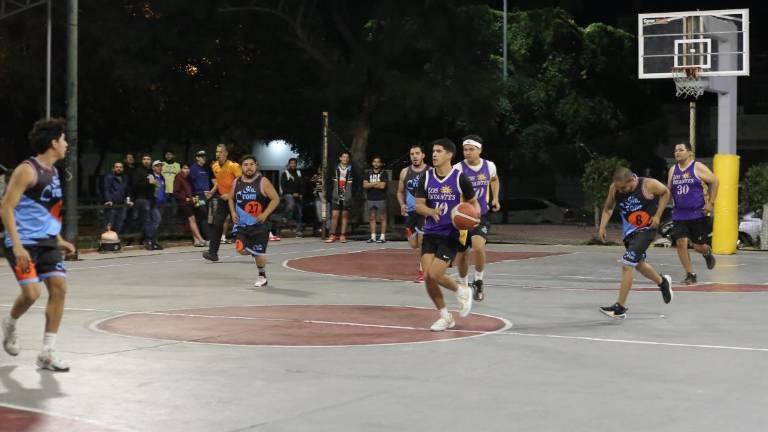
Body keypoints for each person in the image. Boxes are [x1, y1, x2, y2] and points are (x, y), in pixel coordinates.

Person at [1, 117, 76, 371]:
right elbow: (6, 208)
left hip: (46, 242)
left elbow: (48, 212)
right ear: (54, 142)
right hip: (22, 243)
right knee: (32, 293)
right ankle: (10, 323)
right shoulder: (27, 170)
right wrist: (17, 246)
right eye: (64, 139)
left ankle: (47, 353)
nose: (66, 144)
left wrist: (59, 239)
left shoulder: (53, 172)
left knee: (59, 288)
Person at [415, 138, 478, 331]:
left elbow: (473, 203)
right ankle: (445, 317)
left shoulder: (460, 178)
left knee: (434, 274)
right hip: (430, 232)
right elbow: (419, 205)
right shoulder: (426, 177)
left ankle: (462, 290)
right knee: (428, 278)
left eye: (439, 151)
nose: (434, 154)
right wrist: (430, 211)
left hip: (450, 233)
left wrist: (472, 217)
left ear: (449, 155)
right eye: (433, 151)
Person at [598, 167, 673, 319]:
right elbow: (608, 208)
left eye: (624, 188)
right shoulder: (615, 188)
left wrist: (658, 216)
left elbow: (666, 192)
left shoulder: (648, 185)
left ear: (632, 180)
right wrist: (602, 227)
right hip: (629, 234)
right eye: (619, 188)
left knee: (627, 264)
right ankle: (662, 282)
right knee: (638, 264)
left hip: (646, 230)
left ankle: (620, 308)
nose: (621, 191)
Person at [453, 135, 501, 301]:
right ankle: (464, 285)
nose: (467, 152)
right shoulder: (458, 168)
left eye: (471, 149)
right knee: (462, 254)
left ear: (479, 150)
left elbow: (494, 180)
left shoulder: (489, 166)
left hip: (481, 215)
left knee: (478, 246)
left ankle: (479, 280)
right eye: (465, 149)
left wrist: (495, 198)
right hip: (462, 217)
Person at [667, 142, 718, 284]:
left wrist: (710, 203)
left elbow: (715, 181)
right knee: (681, 242)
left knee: (697, 246)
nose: (677, 152)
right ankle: (690, 274)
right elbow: (668, 190)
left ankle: (706, 252)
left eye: (681, 150)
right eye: (675, 150)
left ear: (689, 152)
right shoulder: (673, 170)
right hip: (679, 213)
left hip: (698, 213)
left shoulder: (697, 167)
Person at [228, 155, 281, 287]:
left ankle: (262, 276)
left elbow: (275, 199)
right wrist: (233, 212)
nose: (249, 167)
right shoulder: (237, 182)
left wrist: (265, 214)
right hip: (242, 225)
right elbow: (230, 198)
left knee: (259, 254)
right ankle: (253, 250)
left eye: (251, 164)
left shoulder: (263, 182)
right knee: (240, 249)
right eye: (246, 165)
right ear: (241, 167)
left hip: (259, 225)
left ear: (256, 165)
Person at [203, 144, 241, 262]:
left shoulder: (233, 166)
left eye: (221, 152)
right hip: (223, 199)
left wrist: (230, 195)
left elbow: (242, 183)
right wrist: (212, 192)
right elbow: (219, 182)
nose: (218, 154)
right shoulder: (215, 166)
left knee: (242, 223)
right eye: (217, 152)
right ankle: (212, 253)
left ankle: (254, 246)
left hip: (236, 199)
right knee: (217, 224)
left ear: (226, 153)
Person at [397, 144, 429, 282]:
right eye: (412, 154)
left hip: (423, 212)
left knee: (422, 242)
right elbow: (400, 192)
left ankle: (422, 271)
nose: (414, 156)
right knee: (413, 244)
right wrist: (402, 204)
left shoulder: (430, 171)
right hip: (410, 213)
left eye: (417, 153)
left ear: (423, 155)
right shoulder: (405, 172)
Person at [130, 154, 162, 250]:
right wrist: (148, 183)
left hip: (152, 199)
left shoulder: (151, 172)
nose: (146, 161)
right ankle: (149, 241)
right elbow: (135, 185)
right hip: (142, 199)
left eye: (148, 159)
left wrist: (155, 185)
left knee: (157, 219)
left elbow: (154, 185)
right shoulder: (138, 171)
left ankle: (152, 240)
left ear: (151, 161)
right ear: (142, 161)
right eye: (144, 159)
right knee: (147, 221)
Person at [174, 163, 206, 246]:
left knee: (193, 220)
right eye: (184, 168)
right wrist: (185, 198)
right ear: (181, 169)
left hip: (191, 202)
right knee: (192, 219)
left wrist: (193, 199)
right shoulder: (178, 178)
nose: (187, 170)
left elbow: (190, 191)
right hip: (184, 203)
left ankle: (196, 241)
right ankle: (201, 239)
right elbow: (175, 193)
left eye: (188, 168)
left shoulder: (188, 178)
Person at [325, 152, 354, 243]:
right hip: (336, 194)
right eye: (343, 157)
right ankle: (332, 234)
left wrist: (353, 194)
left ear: (348, 159)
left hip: (347, 194)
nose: (345, 159)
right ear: (340, 158)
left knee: (344, 215)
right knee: (334, 215)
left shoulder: (352, 169)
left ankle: (343, 235)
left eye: (347, 157)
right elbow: (328, 182)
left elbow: (356, 182)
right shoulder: (334, 168)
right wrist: (329, 193)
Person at [363, 155, 389, 243]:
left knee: (383, 218)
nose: (376, 163)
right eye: (374, 162)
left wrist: (371, 184)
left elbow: (383, 186)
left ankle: (382, 237)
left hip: (381, 198)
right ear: (372, 163)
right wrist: (377, 183)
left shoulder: (384, 173)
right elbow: (365, 185)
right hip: (370, 198)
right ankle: (373, 236)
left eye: (378, 162)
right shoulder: (368, 173)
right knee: (372, 218)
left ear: (380, 163)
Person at [188, 150, 213, 242]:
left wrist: (209, 192)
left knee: (206, 215)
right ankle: (206, 237)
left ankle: (205, 236)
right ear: (197, 158)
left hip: (207, 195)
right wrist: (192, 195)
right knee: (202, 214)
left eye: (204, 157)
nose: (204, 158)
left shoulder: (206, 168)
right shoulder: (193, 168)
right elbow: (190, 183)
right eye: (202, 157)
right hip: (198, 195)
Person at [102, 161, 132, 233]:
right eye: (117, 167)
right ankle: (107, 239)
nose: (119, 168)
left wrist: (128, 200)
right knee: (110, 224)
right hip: (112, 204)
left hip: (122, 204)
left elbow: (127, 191)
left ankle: (116, 238)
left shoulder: (125, 177)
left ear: (123, 169)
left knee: (119, 224)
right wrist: (108, 200)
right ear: (113, 168)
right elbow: (106, 189)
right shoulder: (109, 177)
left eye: (120, 167)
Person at [280, 158, 304, 237]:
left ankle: (299, 231)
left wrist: (301, 193)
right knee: (291, 204)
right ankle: (284, 216)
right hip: (288, 194)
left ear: (296, 164)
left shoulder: (299, 173)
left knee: (299, 213)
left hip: (298, 195)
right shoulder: (285, 173)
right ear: (289, 164)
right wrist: (292, 193)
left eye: (294, 163)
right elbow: (283, 186)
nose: (293, 164)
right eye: (291, 163)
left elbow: (302, 184)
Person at [150, 160, 166, 249]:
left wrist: (164, 199)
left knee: (158, 222)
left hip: (162, 203)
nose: (159, 167)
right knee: (156, 220)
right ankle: (152, 241)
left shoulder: (162, 177)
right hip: (154, 204)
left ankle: (155, 241)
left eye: (160, 166)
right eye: (157, 166)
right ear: (153, 168)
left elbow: (163, 189)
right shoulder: (151, 177)